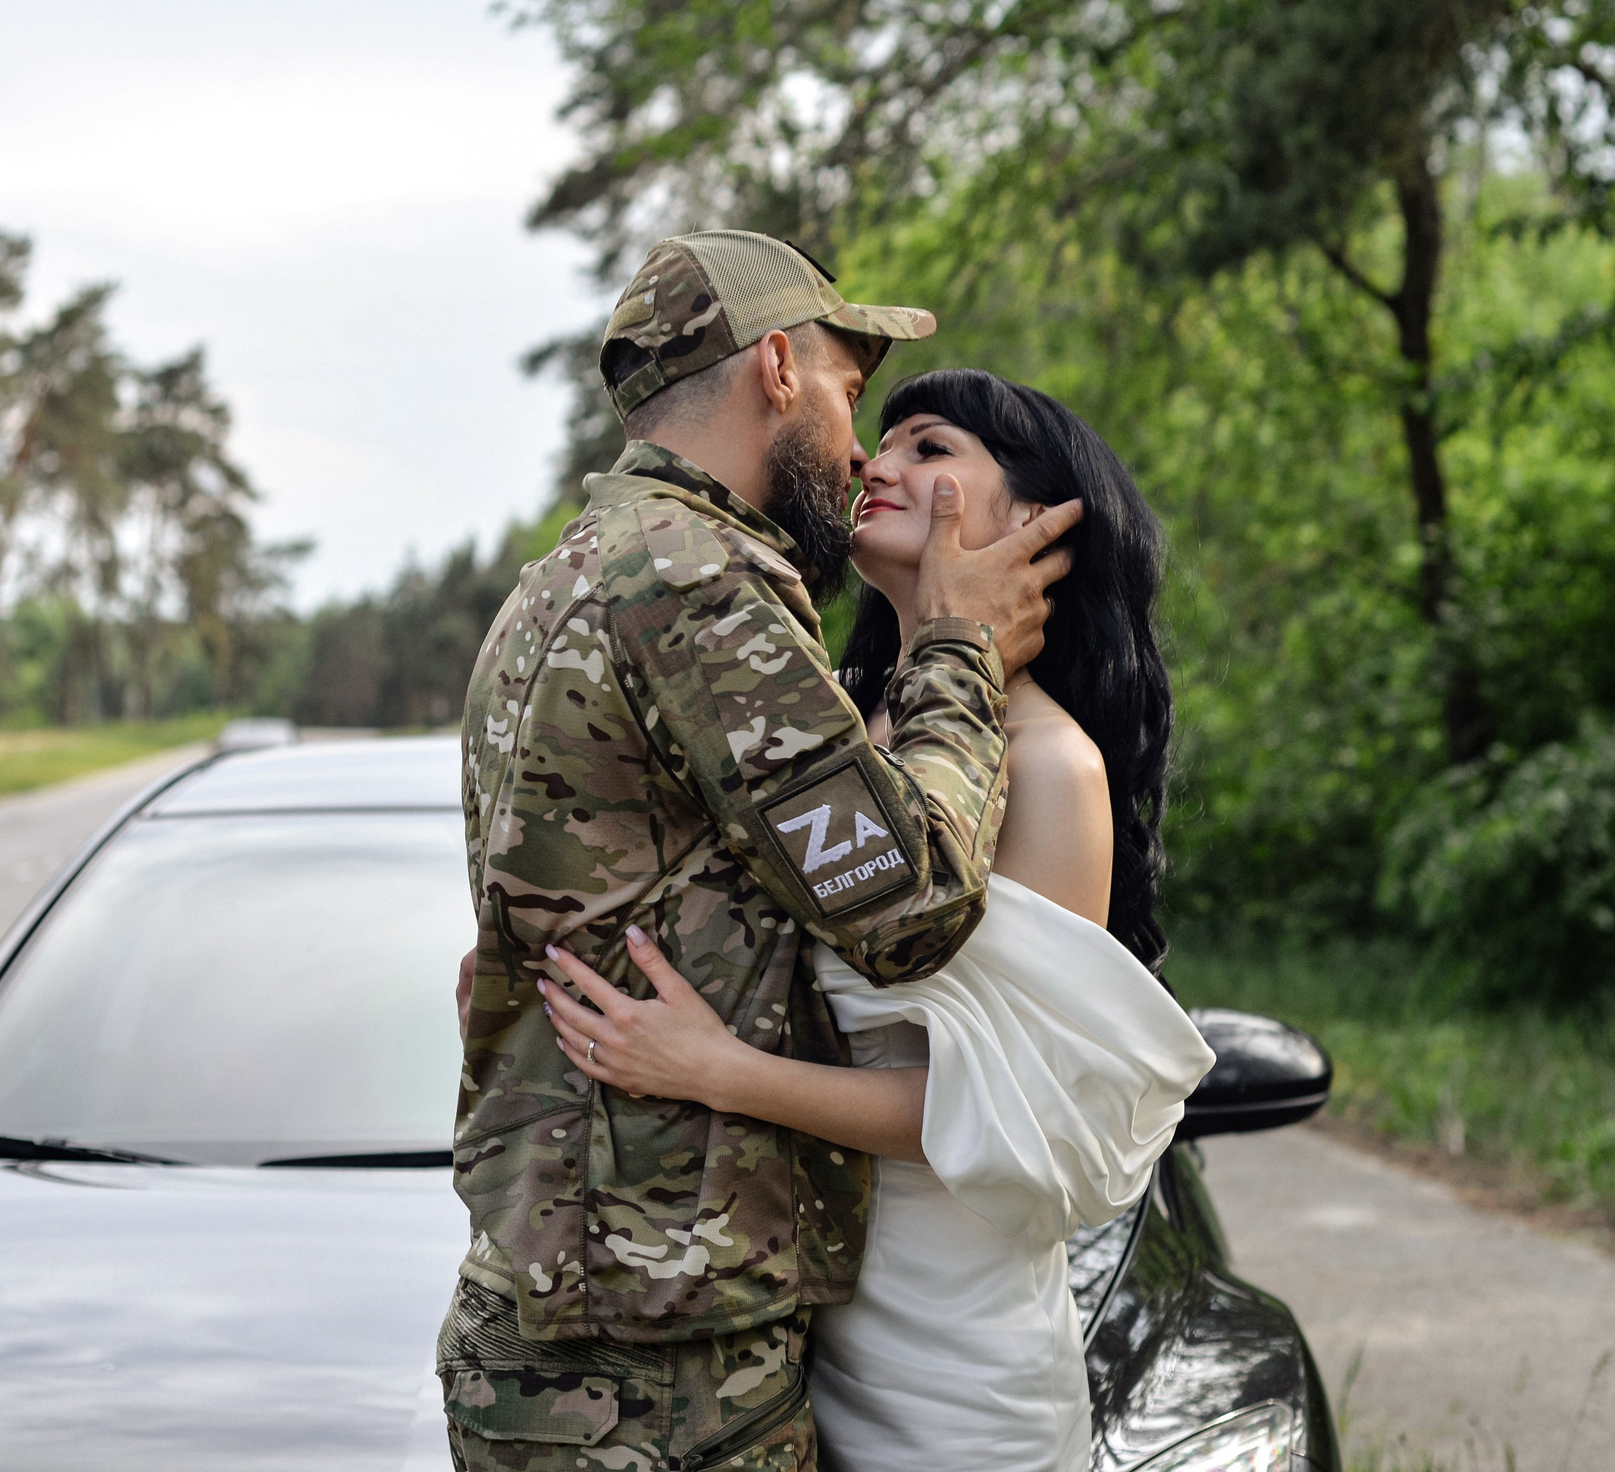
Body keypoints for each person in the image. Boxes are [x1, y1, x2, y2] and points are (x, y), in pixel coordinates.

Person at [443, 232, 1081, 1471]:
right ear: (778, 366)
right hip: (655, 1362)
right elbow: (913, 905)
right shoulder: (696, 579)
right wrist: (958, 645)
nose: (859, 451)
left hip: (572, 1322)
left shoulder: (565, 572)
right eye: (853, 392)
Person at [538, 369, 1214, 1472]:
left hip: (951, 1352)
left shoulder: (1052, 767)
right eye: (878, 437)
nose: (872, 462)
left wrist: (721, 1071)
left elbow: (997, 1113)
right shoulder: (831, 738)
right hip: (781, 1330)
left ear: (1042, 524)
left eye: (929, 447)